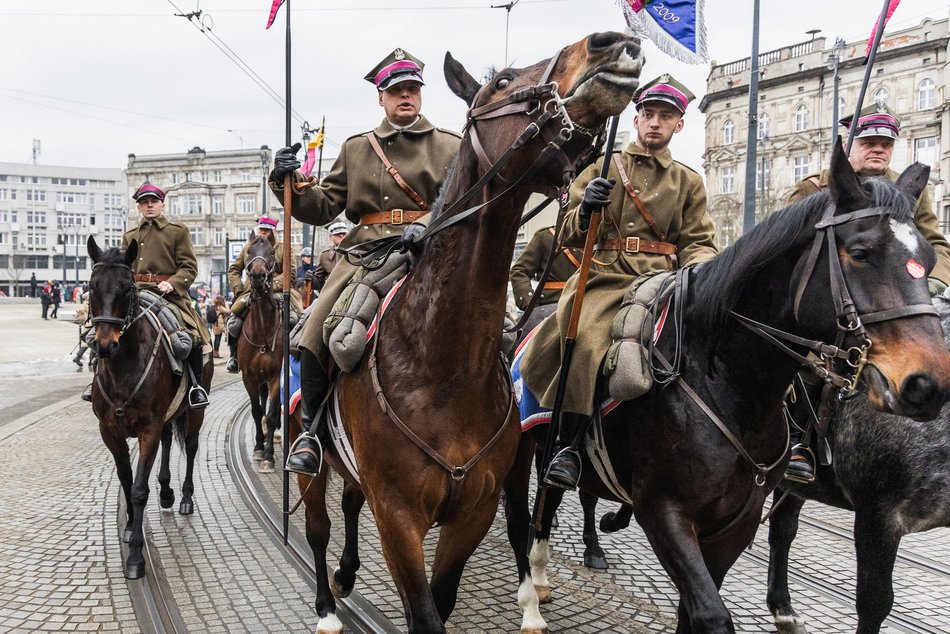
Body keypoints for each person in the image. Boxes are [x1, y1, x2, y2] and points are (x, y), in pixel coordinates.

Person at [520, 74, 719, 490]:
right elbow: (567, 235)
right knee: (587, 340)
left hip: (663, 282)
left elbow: (698, 242)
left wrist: (702, 276)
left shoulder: (688, 181)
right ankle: (567, 444)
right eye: (649, 113)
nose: (655, 123)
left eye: (666, 116)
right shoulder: (602, 166)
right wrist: (586, 207)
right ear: (637, 115)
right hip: (603, 277)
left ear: (678, 125)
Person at [270, 47, 461, 476]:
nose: (405, 97)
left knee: (493, 327)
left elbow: (464, 198)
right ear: (381, 98)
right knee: (315, 332)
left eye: (412, 89)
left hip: (434, 252)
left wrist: (428, 223)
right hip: (366, 255)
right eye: (396, 91)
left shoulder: (450, 145)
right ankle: (312, 433)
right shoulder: (358, 149)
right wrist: (290, 182)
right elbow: (322, 205)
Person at [783, 103, 950, 483]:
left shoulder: (907, 192)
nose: (878, 150)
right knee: (805, 354)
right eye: (869, 142)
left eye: (885, 144)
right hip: (829, 296)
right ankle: (795, 440)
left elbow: (936, 246)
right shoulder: (816, 189)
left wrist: (928, 283)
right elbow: (789, 248)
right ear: (849, 142)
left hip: (891, 297)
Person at [120, 183, 210, 408]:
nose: (149, 206)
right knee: (105, 332)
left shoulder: (177, 231)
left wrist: (172, 283)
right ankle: (100, 383)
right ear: (139, 207)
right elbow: (123, 268)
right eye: (143, 202)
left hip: (167, 296)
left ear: (162, 204)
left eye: (153, 201)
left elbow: (189, 267)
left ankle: (196, 387)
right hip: (136, 294)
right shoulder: (130, 235)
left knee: (190, 336)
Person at [225, 216, 298, 373]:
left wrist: (271, 285)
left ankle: (294, 354)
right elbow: (234, 269)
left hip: (278, 291)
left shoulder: (284, 248)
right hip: (251, 290)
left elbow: (290, 274)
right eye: (261, 229)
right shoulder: (248, 248)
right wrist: (238, 290)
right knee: (234, 321)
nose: (263, 233)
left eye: (267, 230)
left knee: (293, 318)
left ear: (273, 232)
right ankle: (234, 357)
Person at [510, 226, 582, 311]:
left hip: (590, 305)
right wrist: (529, 304)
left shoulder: (598, 238)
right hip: (552, 305)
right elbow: (520, 271)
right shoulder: (546, 236)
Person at [312, 222, 349, 292]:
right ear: (330, 237)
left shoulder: (356, 253)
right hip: (333, 292)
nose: (341, 235)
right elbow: (319, 283)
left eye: (344, 233)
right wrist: (311, 279)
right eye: (337, 234)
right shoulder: (325, 256)